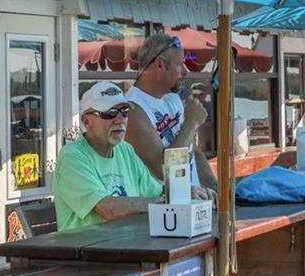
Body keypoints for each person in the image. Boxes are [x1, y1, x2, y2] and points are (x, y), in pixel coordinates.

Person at [55, 82, 210, 232]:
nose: (120, 120)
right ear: (86, 121)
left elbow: (156, 192)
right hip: (88, 248)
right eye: (109, 113)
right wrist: (168, 200)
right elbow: (107, 209)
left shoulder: (125, 150)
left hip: (127, 243)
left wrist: (185, 192)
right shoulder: (72, 157)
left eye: (125, 112)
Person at [123, 32, 218, 196]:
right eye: (180, 65)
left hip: (195, 202)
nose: (185, 71)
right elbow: (164, 170)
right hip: (165, 208)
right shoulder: (133, 110)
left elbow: (193, 151)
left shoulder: (172, 98)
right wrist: (191, 123)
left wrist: (217, 189)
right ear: (160, 64)